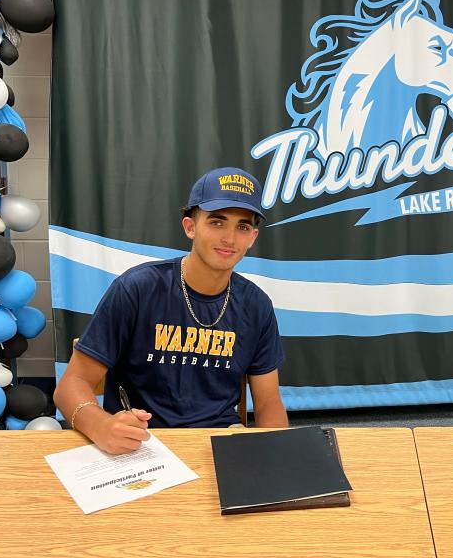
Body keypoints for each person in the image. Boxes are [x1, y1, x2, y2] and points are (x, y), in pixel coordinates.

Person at [54, 167, 288, 454]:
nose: (230, 238)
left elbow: (268, 403)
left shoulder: (256, 305)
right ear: (190, 227)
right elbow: (70, 386)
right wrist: (100, 425)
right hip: (141, 443)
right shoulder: (137, 288)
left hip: (221, 443)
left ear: (252, 237)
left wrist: (279, 462)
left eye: (242, 227)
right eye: (217, 222)